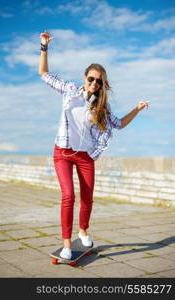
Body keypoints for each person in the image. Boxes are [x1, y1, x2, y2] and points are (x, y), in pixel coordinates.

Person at [38, 32, 149, 259]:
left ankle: (83, 231)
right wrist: (44, 48)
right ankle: (67, 244)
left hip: (85, 156)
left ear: (102, 84)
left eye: (99, 81)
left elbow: (119, 124)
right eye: (91, 79)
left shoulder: (101, 108)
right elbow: (44, 74)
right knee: (68, 195)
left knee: (87, 198)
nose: (94, 84)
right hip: (62, 152)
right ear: (84, 78)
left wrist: (137, 109)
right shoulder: (69, 90)